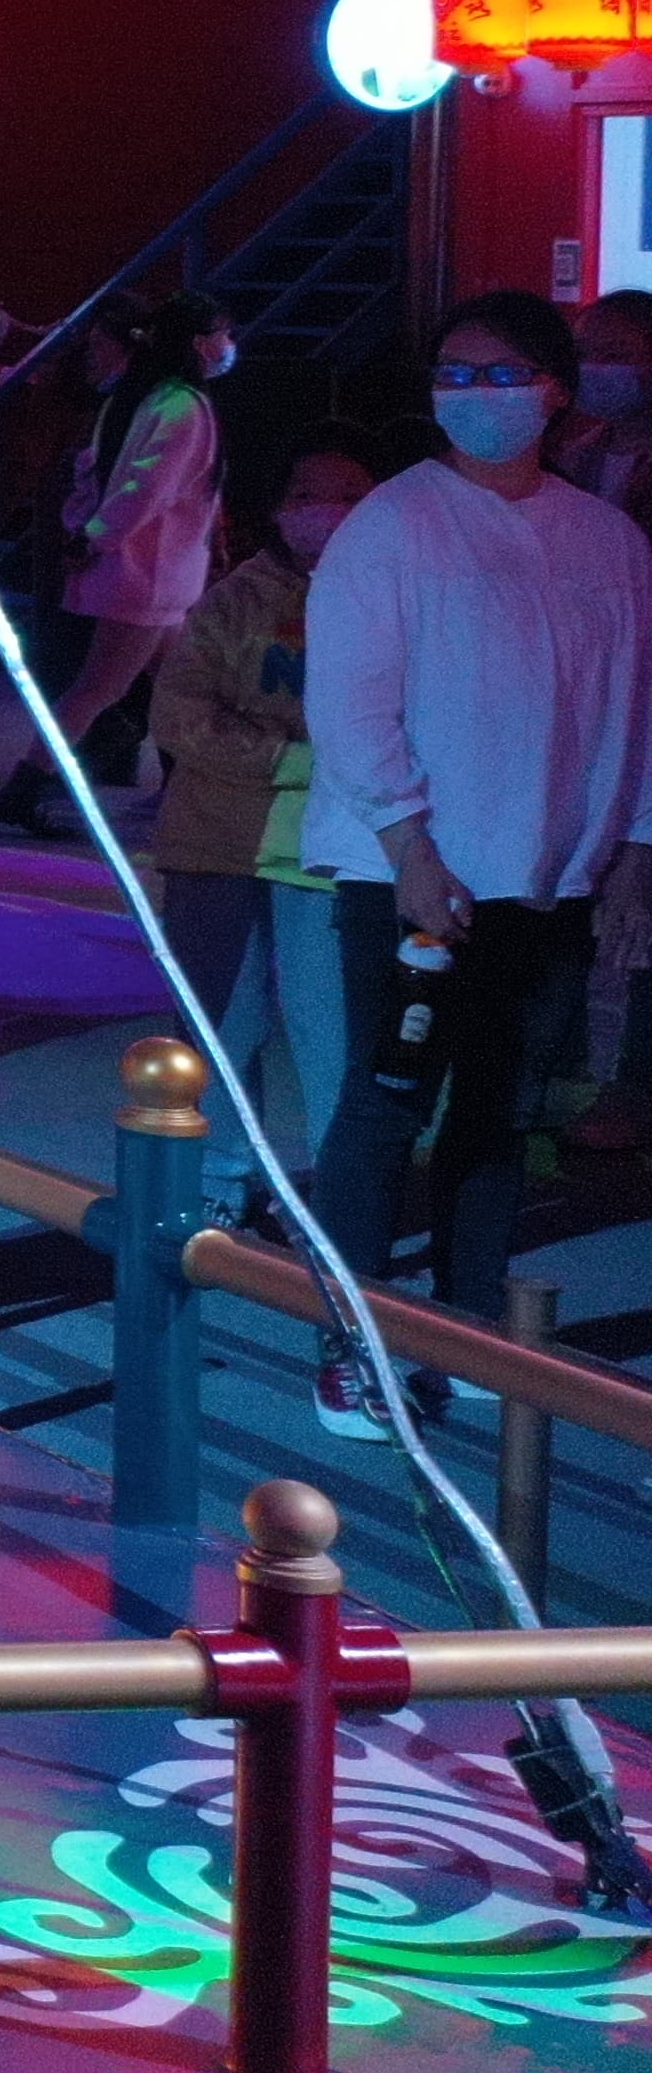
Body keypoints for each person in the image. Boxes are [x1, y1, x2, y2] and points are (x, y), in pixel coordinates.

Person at [300, 293, 652, 1430]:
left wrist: (634, 850)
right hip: (413, 878)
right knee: (385, 1108)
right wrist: (406, 840)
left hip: (545, 881)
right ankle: (352, 1346)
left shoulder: (609, 541)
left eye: (501, 374)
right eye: (454, 372)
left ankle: (468, 1330)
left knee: (497, 1116)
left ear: (555, 391)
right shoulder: (395, 525)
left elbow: (636, 706)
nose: (473, 394)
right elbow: (349, 703)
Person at [154, 428, 411, 1216]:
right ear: (275, 506)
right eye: (307, 496)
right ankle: (221, 1178)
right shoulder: (233, 603)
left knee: (332, 1031)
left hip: (340, 853)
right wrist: (300, 760)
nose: (327, 512)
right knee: (222, 1026)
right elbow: (179, 715)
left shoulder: (401, 598)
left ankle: (342, 1194)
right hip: (219, 843)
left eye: (349, 496)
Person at [0, 295, 234, 832]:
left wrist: (88, 533)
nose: (228, 345)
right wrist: (98, 537)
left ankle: (183, 791)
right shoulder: (182, 407)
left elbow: (101, 476)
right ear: (200, 343)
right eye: (223, 334)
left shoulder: (144, 398)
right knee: (99, 689)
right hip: (147, 579)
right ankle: (25, 788)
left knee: (176, 685)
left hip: (150, 578)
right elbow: (145, 489)